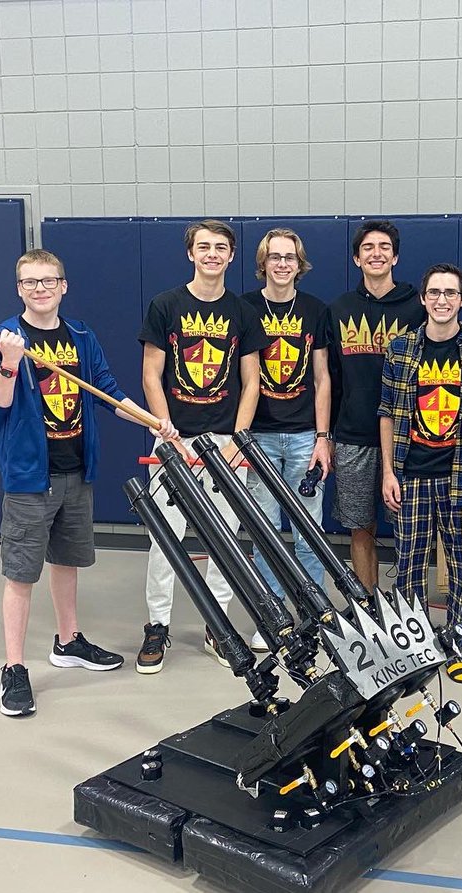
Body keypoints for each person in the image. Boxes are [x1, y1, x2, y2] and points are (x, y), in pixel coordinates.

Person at [0, 248, 178, 717]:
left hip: (75, 470)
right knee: (21, 574)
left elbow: (108, 391)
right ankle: (14, 668)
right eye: (31, 282)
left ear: (63, 286)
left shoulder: (82, 338)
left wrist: (152, 421)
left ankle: (68, 642)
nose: (41, 289)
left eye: (49, 280)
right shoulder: (6, 338)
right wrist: (9, 363)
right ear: (19, 289)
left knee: (67, 561)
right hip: (30, 477)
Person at [137, 219, 268, 674]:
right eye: (204, 247)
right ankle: (157, 626)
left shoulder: (243, 311)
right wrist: (165, 430)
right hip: (173, 438)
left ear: (231, 256)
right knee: (164, 539)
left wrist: (238, 442)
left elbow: (251, 382)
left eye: (220, 248)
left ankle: (219, 628)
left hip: (225, 442)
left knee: (224, 540)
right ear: (190, 253)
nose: (212, 254)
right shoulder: (165, 304)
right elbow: (151, 374)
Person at [379, 263, 462, 682]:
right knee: (409, 566)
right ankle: (416, 650)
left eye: (450, 293)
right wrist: (388, 472)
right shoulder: (400, 349)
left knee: (461, 566)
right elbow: (387, 414)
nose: (442, 300)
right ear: (423, 299)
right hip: (411, 475)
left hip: (460, 476)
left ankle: (458, 646)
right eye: (434, 293)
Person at [241, 228, 332, 652]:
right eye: (274, 257)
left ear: (300, 264)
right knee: (264, 533)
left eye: (289, 257)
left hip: (303, 437)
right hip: (258, 435)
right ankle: (273, 617)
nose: (282, 264)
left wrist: (322, 438)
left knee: (309, 530)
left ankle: (316, 615)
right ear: (263, 263)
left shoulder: (314, 309)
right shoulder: (244, 307)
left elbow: (322, 378)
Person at [327, 220, 425, 590]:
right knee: (360, 527)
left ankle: (407, 606)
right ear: (357, 259)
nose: (376, 254)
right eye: (368, 248)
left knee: (408, 528)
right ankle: (368, 604)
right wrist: (329, 435)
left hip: (406, 439)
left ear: (395, 257)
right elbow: (331, 379)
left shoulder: (418, 308)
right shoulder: (339, 309)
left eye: (385, 247)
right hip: (353, 437)